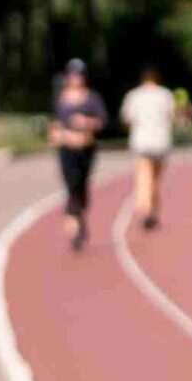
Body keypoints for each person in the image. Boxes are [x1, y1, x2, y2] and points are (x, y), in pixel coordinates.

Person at [50, 60, 107, 251]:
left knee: (81, 187)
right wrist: (58, 135)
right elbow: (55, 124)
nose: (76, 78)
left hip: (86, 149)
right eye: (73, 75)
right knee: (71, 186)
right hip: (66, 149)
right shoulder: (60, 99)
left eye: (80, 75)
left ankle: (79, 220)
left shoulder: (92, 99)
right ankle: (73, 229)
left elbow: (101, 122)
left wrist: (85, 123)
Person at [122, 66, 177, 231]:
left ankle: (145, 209)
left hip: (142, 142)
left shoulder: (134, 95)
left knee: (143, 177)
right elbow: (171, 117)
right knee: (156, 179)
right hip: (161, 141)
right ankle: (151, 210)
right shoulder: (165, 95)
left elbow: (128, 119)